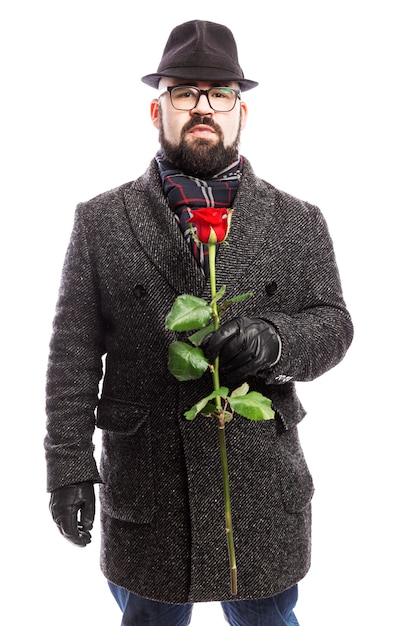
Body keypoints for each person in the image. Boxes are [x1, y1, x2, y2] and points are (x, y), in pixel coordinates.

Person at [45, 19, 354, 626]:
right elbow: (72, 358)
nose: (202, 107)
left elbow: (334, 325)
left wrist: (275, 341)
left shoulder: (299, 222)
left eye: (219, 94)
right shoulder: (100, 222)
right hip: (148, 488)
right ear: (156, 110)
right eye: (185, 92)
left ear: (243, 113)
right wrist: (67, 468)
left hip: (260, 489)